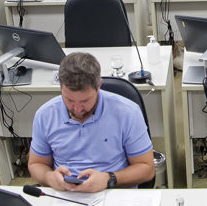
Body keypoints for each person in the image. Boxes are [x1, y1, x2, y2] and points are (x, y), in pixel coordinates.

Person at [27, 52, 154, 192]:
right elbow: (36, 164)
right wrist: (49, 177)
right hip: (65, 195)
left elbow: (147, 169)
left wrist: (109, 179)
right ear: (61, 86)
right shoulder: (45, 115)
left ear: (99, 85)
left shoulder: (127, 112)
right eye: (69, 100)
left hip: (113, 192)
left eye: (85, 101)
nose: (77, 109)